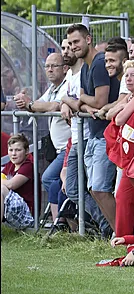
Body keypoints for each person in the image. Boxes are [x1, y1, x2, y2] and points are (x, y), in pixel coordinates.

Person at [64, 24, 120, 232]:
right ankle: (117, 233)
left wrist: (81, 101)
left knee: (99, 188)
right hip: (94, 134)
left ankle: (123, 234)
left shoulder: (98, 63)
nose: (73, 47)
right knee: (94, 189)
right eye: (70, 43)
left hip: (107, 135)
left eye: (76, 42)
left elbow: (100, 100)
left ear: (88, 39)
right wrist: (83, 103)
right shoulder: (85, 65)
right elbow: (88, 101)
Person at [13, 53, 71, 219]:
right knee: (54, 185)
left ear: (65, 68)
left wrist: (30, 104)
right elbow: (39, 105)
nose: (50, 70)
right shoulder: (52, 88)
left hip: (69, 147)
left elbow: (53, 106)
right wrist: (25, 103)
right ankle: (61, 221)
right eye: (47, 66)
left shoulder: (67, 85)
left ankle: (68, 217)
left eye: (54, 66)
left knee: (49, 178)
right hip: (59, 149)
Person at [106, 60, 134, 237]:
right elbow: (109, 113)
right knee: (123, 197)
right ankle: (123, 238)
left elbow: (117, 119)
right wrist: (124, 103)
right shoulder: (130, 97)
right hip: (128, 156)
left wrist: (123, 107)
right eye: (127, 75)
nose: (129, 79)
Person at [1, 134, 35, 230]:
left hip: (25, 215)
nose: (13, 154)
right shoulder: (10, 165)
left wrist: (4, 182)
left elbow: (11, 185)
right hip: (11, 210)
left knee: (2, 188)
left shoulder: (28, 166)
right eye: (11, 150)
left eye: (18, 150)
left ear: (27, 151)